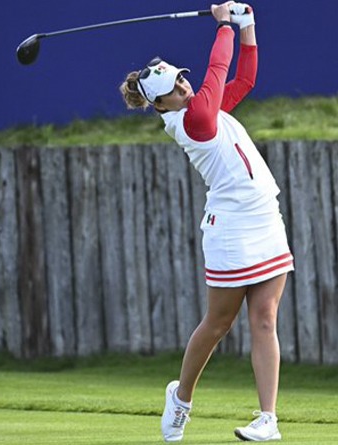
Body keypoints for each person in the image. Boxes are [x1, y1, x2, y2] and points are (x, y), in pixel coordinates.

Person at [119, 2, 293, 442]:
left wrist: (248, 26)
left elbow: (245, 79)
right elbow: (219, 67)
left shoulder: (201, 107)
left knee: (266, 320)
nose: (185, 84)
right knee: (217, 324)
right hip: (230, 227)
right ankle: (181, 400)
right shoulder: (194, 119)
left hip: (264, 217)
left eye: (182, 77)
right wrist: (224, 25)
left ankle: (268, 419)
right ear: (162, 104)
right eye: (177, 85)